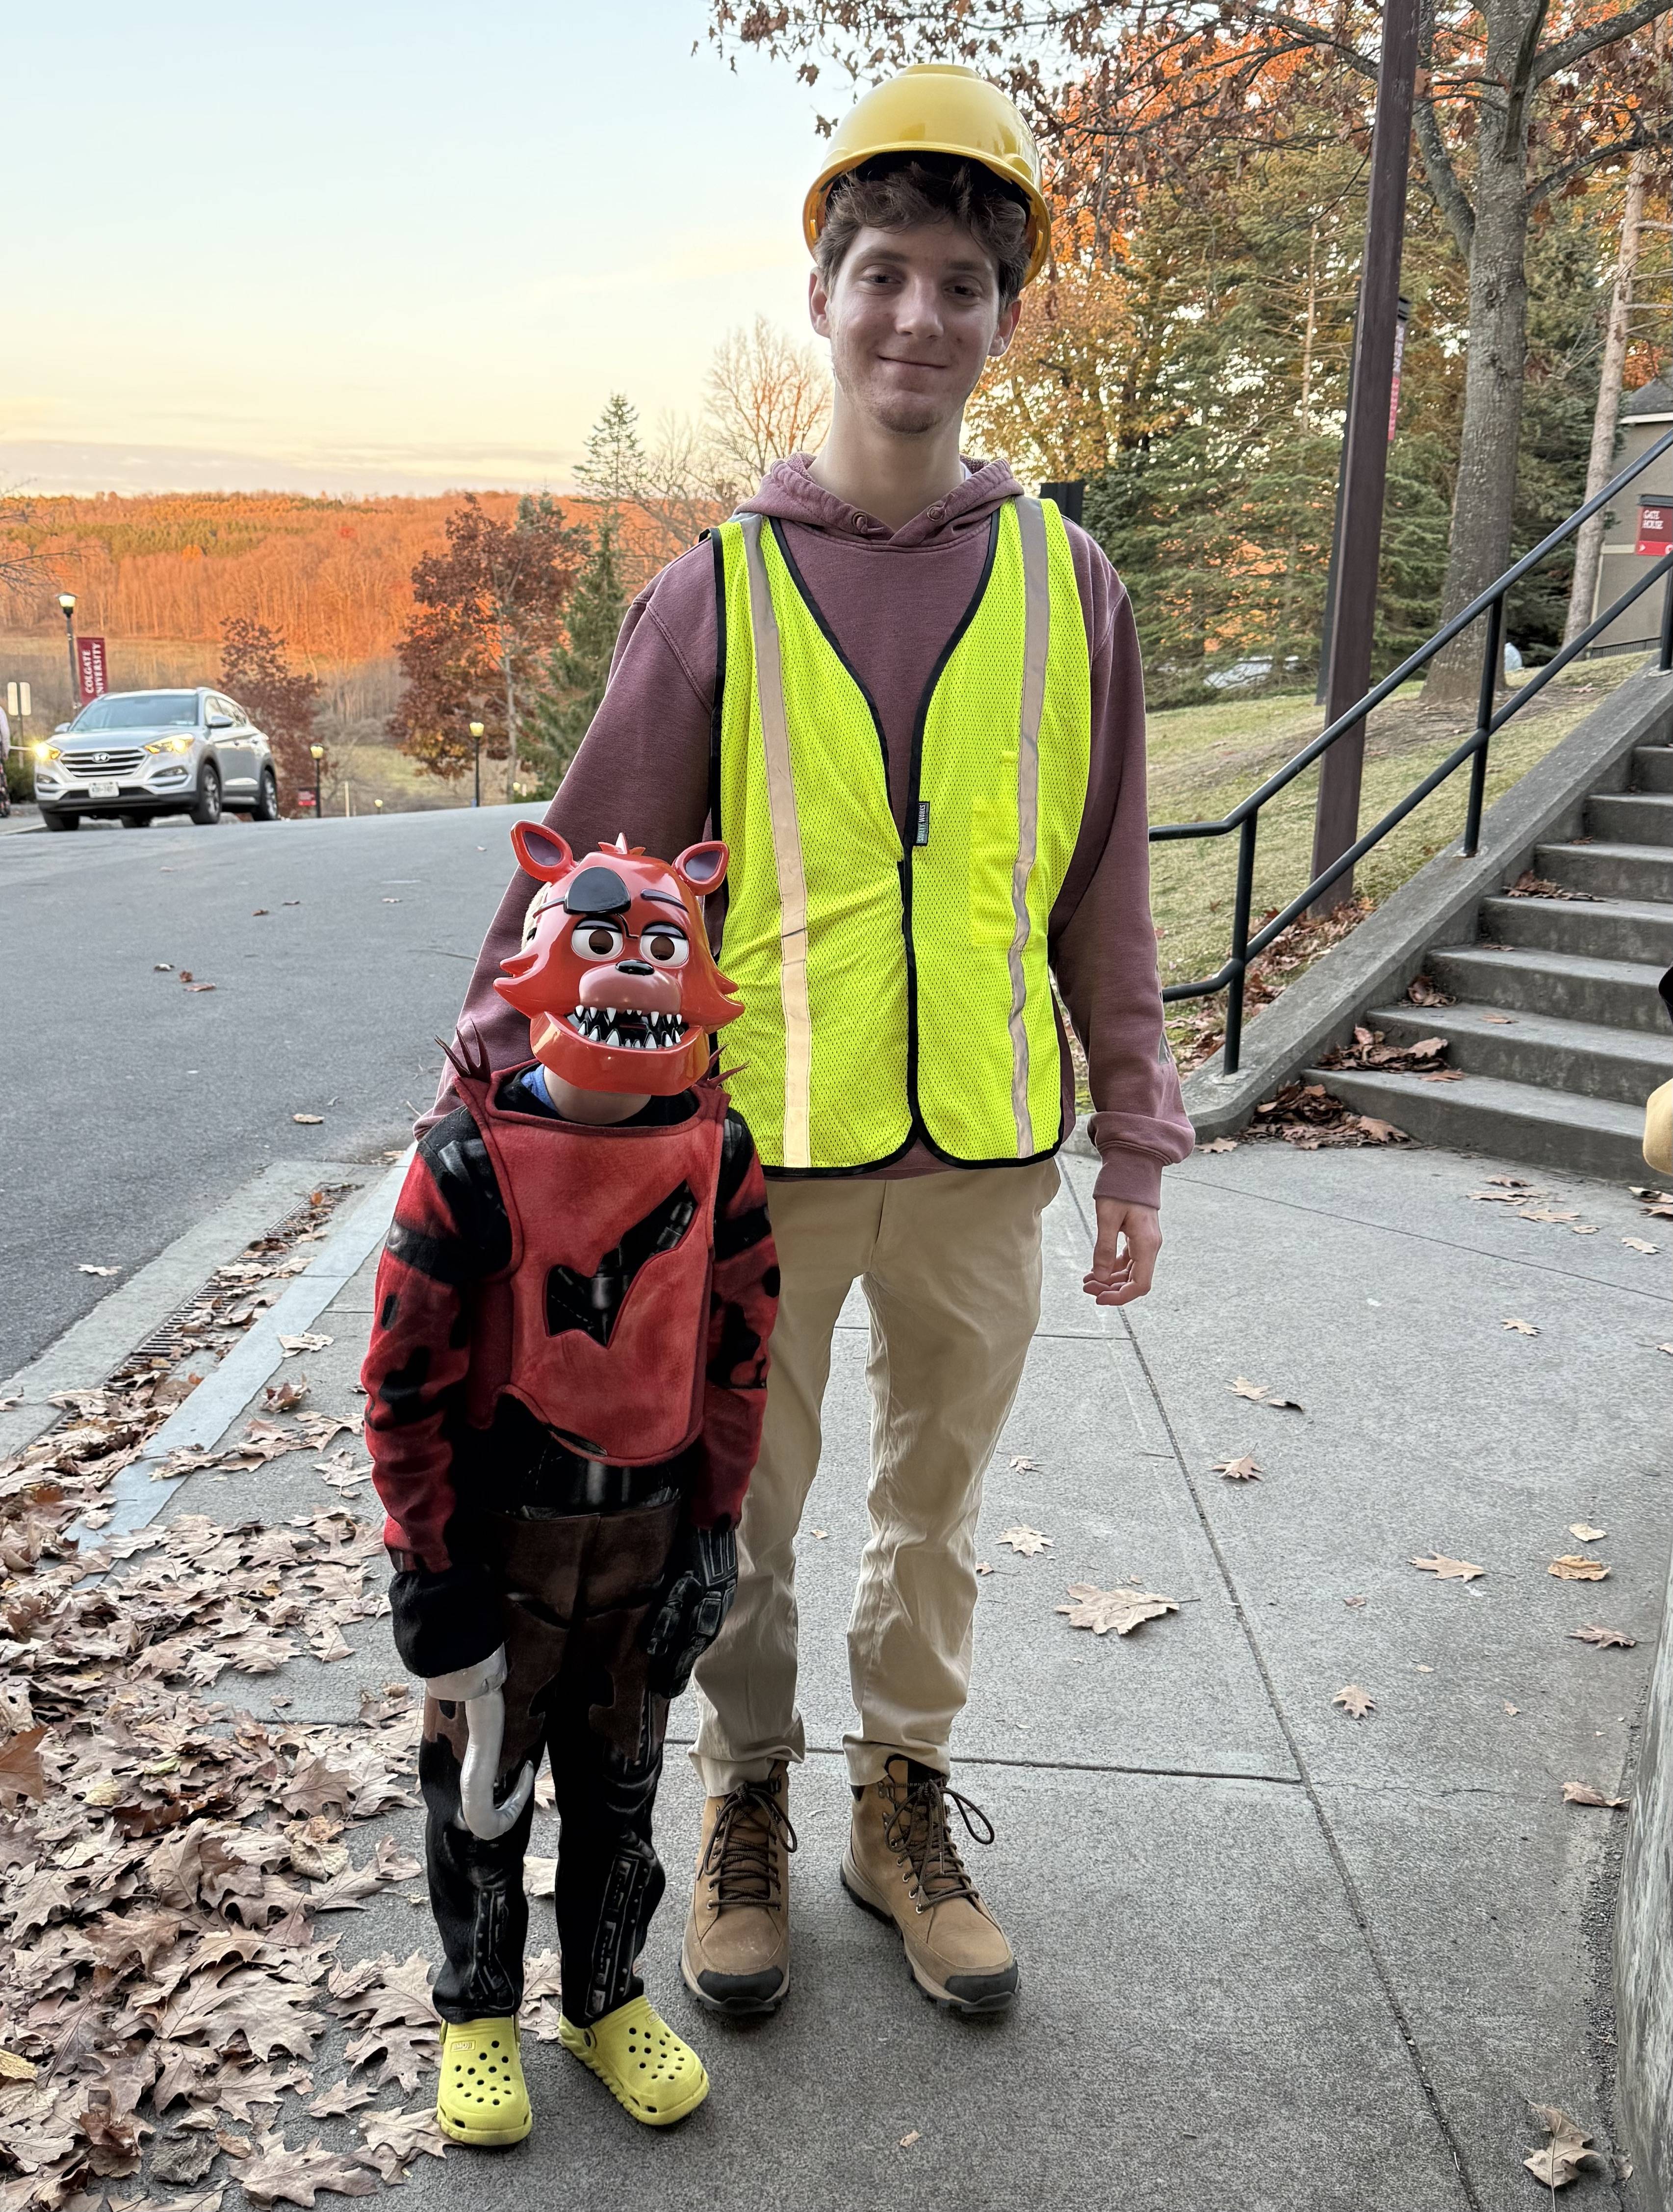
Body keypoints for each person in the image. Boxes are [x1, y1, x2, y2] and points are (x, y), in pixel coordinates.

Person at [433, 63, 1193, 2025]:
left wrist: (1132, 1138)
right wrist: (479, 1112)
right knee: (739, 1524)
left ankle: (898, 1811)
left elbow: (1103, 882)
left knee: (934, 1514)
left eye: (960, 280)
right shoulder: (717, 593)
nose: (918, 317)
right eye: (883, 273)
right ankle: (748, 1807)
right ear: (825, 296)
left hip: (981, 1160)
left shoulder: (1067, 585)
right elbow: (586, 878)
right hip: (751, 1167)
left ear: (1002, 315)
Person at [363, 822, 777, 2138]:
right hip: (501, 1542)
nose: (636, 975)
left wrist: (714, 1531)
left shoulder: (720, 1157)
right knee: (482, 1792)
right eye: (602, 944)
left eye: (664, 947)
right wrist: (427, 1568)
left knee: (620, 1788)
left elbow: (740, 1350)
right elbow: (402, 1380)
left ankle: (602, 1997)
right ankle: (479, 2011)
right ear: (546, 965)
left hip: (645, 1540)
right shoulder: (467, 1163)